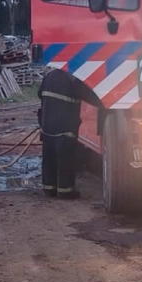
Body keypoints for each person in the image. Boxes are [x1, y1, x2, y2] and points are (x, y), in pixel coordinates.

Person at [37, 67, 102, 200]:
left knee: (49, 159)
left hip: (47, 127)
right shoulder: (73, 80)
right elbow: (93, 98)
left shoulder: (49, 76)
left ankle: (49, 189)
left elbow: (39, 94)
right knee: (66, 161)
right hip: (64, 129)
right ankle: (65, 192)